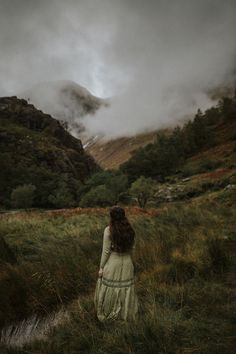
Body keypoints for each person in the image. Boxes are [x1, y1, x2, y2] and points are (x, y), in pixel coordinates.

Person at [94, 206, 138, 322]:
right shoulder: (130, 230)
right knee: (125, 289)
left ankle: (110, 313)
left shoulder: (108, 230)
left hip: (113, 263)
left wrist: (101, 267)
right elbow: (133, 248)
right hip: (127, 262)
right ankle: (125, 315)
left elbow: (106, 251)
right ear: (124, 216)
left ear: (111, 217)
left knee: (112, 289)